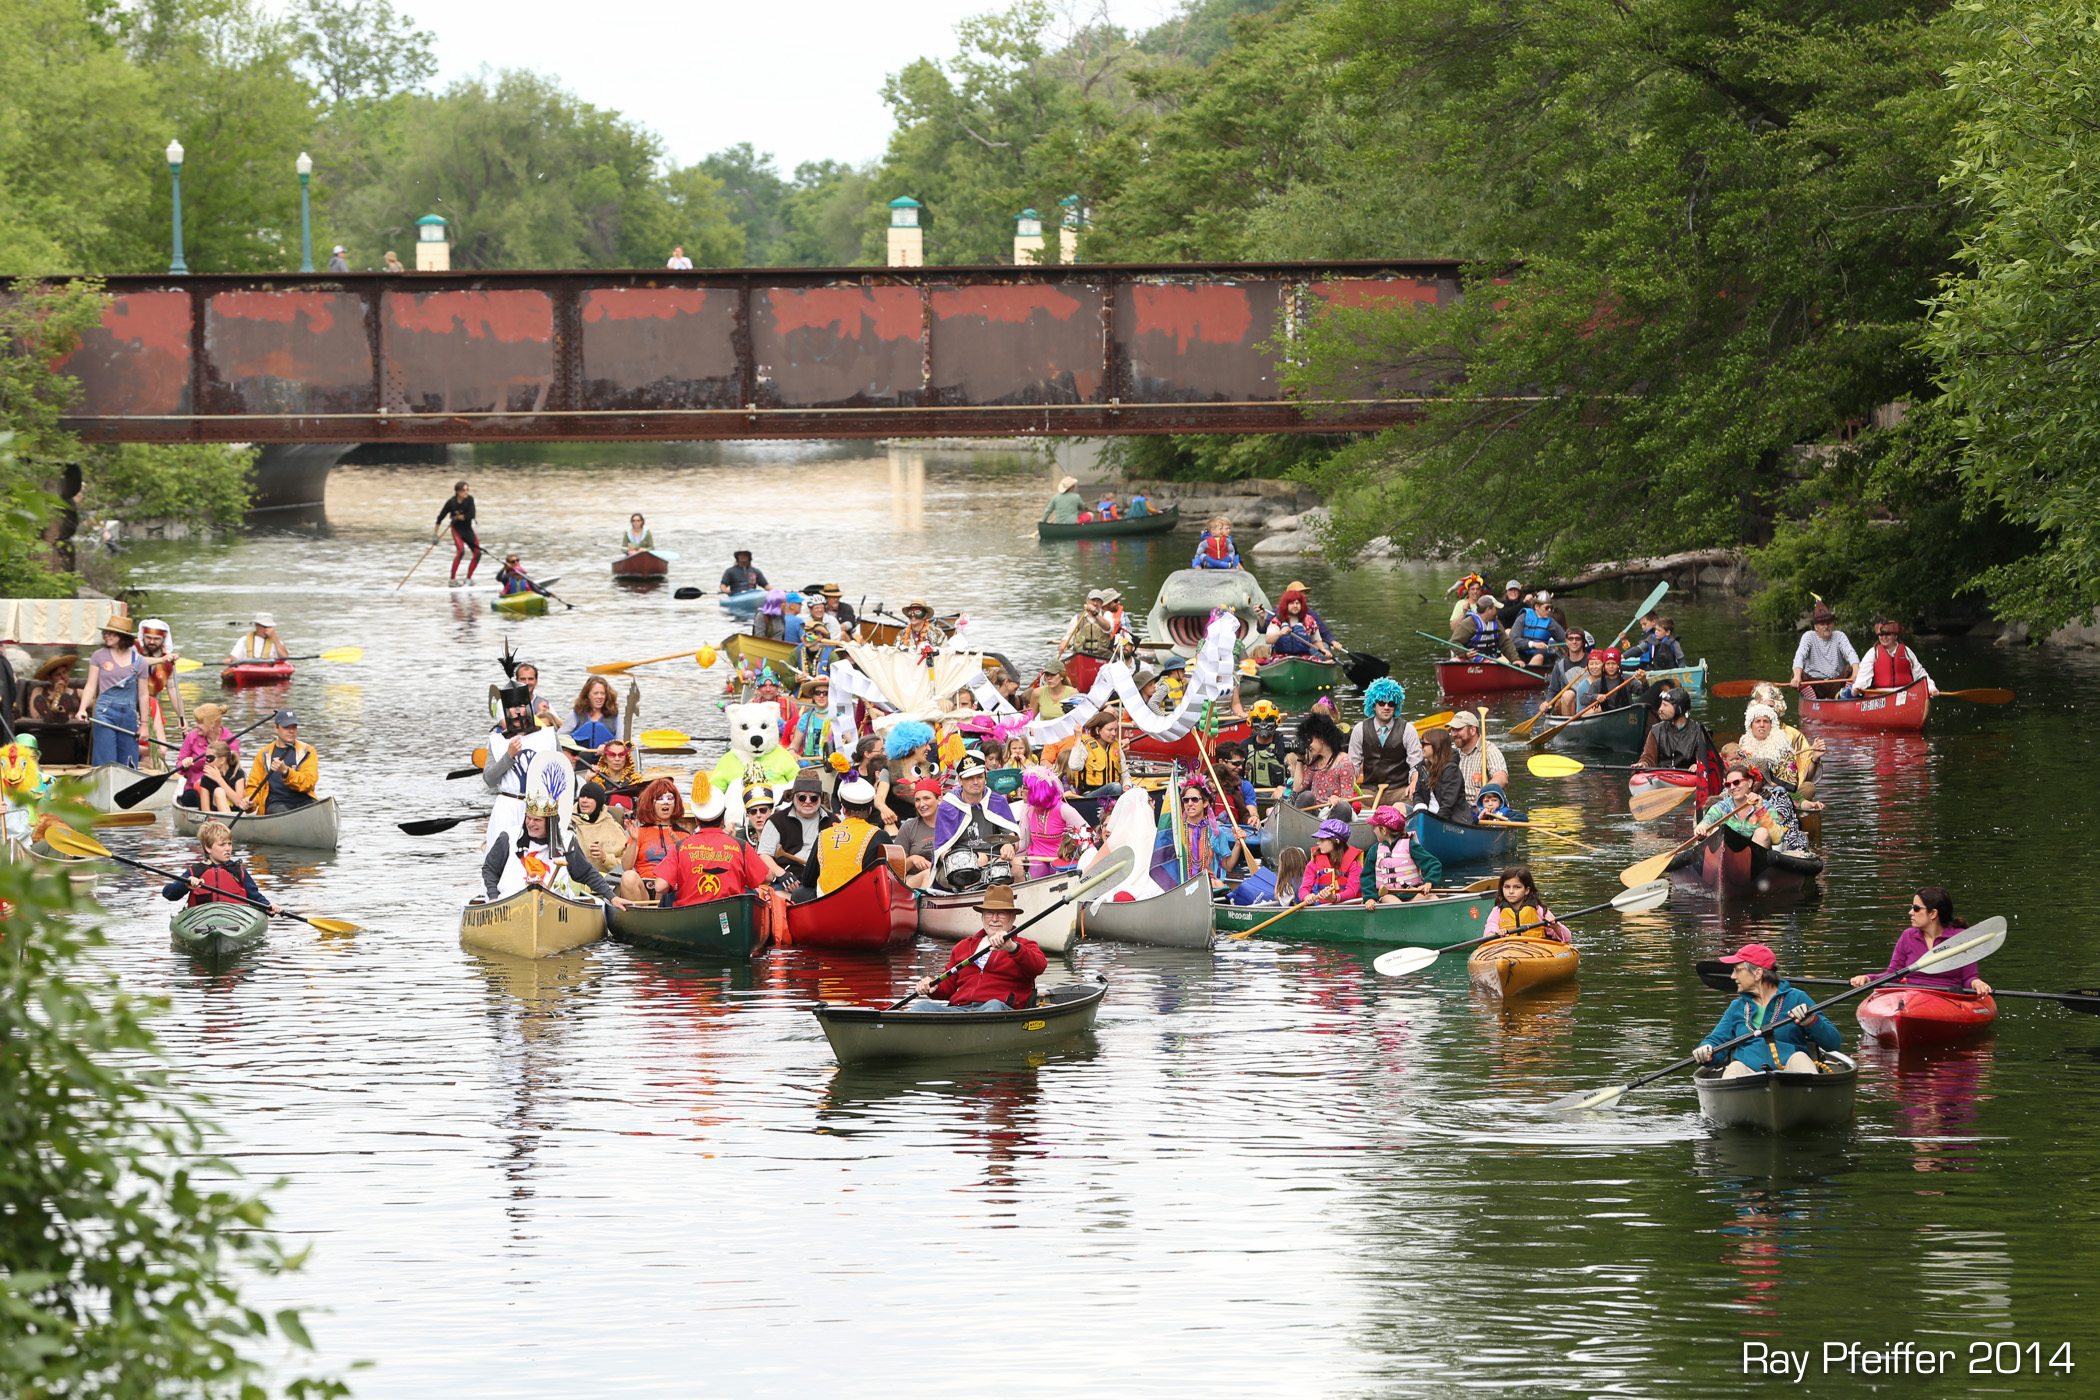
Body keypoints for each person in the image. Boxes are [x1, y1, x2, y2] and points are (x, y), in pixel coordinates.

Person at [1696, 943, 1841, 1077]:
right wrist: (1707, 1049)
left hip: (1792, 1072)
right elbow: (1717, 1040)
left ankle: (1810, 1096)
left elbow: (1833, 1043)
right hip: (1748, 1074)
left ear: (1758, 973)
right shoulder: (1737, 1007)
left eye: (1737, 970)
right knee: (1735, 1067)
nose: (1733, 976)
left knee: (1800, 1058)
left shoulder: (1797, 998)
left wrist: (1812, 1021)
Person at [482, 782, 632, 908]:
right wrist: (493, 897)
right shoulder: (508, 838)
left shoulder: (566, 841)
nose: (531, 824)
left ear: (550, 823)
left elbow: (586, 873)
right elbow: (490, 869)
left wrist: (612, 897)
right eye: (529, 818)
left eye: (537, 820)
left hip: (555, 905)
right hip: (510, 902)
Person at [908, 884, 1046, 1011]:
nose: (994, 919)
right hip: (961, 1009)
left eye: (1001, 914)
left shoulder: (1024, 945)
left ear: (1013, 917)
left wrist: (1012, 947)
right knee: (921, 1007)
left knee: (994, 1005)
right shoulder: (963, 946)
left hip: (1000, 1010)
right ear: (982, 917)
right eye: (989, 913)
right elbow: (947, 988)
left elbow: (1039, 966)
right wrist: (932, 985)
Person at [1849, 887, 1991, 997]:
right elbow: (1893, 975)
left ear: (1933, 913)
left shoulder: (1961, 939)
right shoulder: (1908, 936)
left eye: (1916, 908)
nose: (1910, 912)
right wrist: (1868, 978)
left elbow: (1969, 977)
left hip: (1949, 997)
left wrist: (1976, 983)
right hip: (1913, 997)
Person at [651, 785, 780, 905]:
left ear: (697, 821)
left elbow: (660, 886)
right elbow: (767, 877)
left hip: (689, 919)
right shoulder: (740, 846)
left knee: (667, 897)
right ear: (723, 819)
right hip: (731, 917)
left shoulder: (681, 846)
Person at [483, 682, 561, 845]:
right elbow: (490, 780)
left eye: (520, 706)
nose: (516, 711)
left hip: (541, 810)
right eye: (511, 707)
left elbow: (562, 774)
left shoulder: (548, 736)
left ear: (528, 707)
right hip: (508, 808)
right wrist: (508, 756)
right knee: (503, 859)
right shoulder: (497, 742)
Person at [160, 822, 280, 916]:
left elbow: (255, 897)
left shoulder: (238, 871)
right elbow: (168, 893)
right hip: (203, 919)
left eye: (229, 844)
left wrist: (267, 906)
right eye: (222, 845)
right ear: (208, 848)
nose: (228, 848)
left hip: (236, 917)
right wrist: (186, 884)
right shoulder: (196, 871)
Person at [74, 616, 148, 768]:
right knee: (105, 758)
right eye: (106, 632)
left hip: (129, 715)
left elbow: (143, 694)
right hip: (104, 713)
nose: (107, 635)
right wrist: (82, 709)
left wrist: (144, 724)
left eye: (112, 633)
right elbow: (91, 685)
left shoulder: (140, 661)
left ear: (123, 637)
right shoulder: (99, 656)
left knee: (128, 760)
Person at [804, 778, 891, 897]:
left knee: (801, 893)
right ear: (870, 810)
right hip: (863, 903)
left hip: (826, 902)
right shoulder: (880, 835)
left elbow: (807, 880)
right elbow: (893, 877)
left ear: (844, 810)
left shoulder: (823, 835)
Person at [931, 757, 1021, 866]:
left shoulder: (997, 801)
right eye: (969, 778)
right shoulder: (948, 806)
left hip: (995, 858)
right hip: (960, 863)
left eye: (979, 777)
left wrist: (1009, 845)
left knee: (1017, 866)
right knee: (979, 862)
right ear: (960, 780)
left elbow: (1013, 836)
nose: (975, 782)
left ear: (985, 779)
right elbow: (942, 850)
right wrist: (967, 861)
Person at [1347, 677, 1420, 806]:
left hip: (1399, 790)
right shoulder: (1360, 729)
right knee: (1352, 804)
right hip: (1369, 790)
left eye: (1391, 703)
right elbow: (1353, 765)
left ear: (1396, 706)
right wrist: (1350, 785)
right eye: (1381, 702)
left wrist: (1414, 783)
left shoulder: (1408, 729)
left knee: (1413, 798)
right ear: (1373, 705)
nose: (1386, 707)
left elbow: (1416, 765)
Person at [1157, 777, 1241, 884]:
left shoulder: (1216, 832)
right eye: (1186, 800)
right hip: (1182, 886)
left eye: (1195, 799)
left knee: (1219, 884)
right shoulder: (1176, 833)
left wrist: (1238, 843)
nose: (1190, 803)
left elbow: (1227, 866)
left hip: (1209, 885)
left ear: (1205, 803)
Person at [618, 777, 689, 902]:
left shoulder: (683, 835)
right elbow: (626, 867)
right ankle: (638, 916)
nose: (665, 803)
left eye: (669, 799)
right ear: (651, 803)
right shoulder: (640, 832)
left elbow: (690, 869)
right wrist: (634, 840)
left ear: (675, 803)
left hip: (671, 889)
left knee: (668, 879)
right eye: (660, 799)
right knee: (628, 876)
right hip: (644, 888)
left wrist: (679, 845)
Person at [759, 772, 834, 882]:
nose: (808, 802)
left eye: (813, 798)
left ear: (821, 798)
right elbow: (764, 854)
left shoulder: (833, 822)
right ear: (793, 797)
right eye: (802, 797)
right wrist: (781, 874)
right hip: (788, 883)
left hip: (825, 882)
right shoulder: (776, 821)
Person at [1021, 766, 1094, 880]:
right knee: (1036, 869)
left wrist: (1073, 838)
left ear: (1037, 791)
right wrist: (1008, 848)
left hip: (1061, 860)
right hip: (1036, 859)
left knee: (1057, 873)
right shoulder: (1028, 809)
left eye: (1025, 787)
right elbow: (1023, 842)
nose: (1021, 790)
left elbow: (1089, 836)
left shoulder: (1063, 809)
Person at [1693, 762, 1785, 849]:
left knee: (1762, 832)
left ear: (1749, 782)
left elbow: (1777, 839)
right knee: (1717, 831)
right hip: (1727, 855)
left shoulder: (1766, 806)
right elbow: (1706, 822)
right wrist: (1701, 829)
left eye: (1736, 782)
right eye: (1728, 784)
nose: (1732, 787)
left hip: (1756, 858)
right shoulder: (1721, 806)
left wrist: (1760, 810)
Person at [1842, 618, 1940, 699]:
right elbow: (1863, 676)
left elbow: (1920, 674)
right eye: (1881, 635)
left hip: (1905, 694)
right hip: (1881, 695)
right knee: (1849, 693)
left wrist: (1931, 688)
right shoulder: (1873, 653)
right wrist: (1857, 688)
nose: (1883, 637)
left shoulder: (1906, 652)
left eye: (1887, 634)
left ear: (1895, 636)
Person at [243, 710, 317, 814]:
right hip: (276, 803)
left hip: (304, 800)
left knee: (315, 808)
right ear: (276, 728)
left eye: (294, 727)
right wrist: (251, 801)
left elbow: (308, 783)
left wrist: (286, 772)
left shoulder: (308, 752)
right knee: (282, 811)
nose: (291, 731)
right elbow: (254, 786)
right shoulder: (263, 755)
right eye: (286, 727)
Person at [1285, 709, 1359, 812]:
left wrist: (1337, 799)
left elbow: (1348, 799)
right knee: (1307, 795)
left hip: (1334, 813)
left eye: (1310, 740)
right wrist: (1300, 760)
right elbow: (1297, 788)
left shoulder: (1344, 762)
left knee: (1343, 807)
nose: (1308, 745)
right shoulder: (1315, 762)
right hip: (1316, 813)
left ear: (1322, 738)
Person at [1632, 687, 1711, 775]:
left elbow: (1704, 758)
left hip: (1688, 776)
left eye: (1665, 705)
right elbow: (1648, 756)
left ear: (1679, 708)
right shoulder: (1656, 731)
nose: (1660, 709)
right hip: (1661, 777)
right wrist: (1643, 764)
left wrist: (1698, 765)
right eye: (1661, 705)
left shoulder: (1700, 732)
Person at [174, 702, 238, 810]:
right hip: (195, 788)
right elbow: (178, 767)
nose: (196, 725)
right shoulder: (191, 737)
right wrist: (185, 764)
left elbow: (234, 767)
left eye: (199, 722)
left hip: (223, 787)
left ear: (212, 724)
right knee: (192, 796)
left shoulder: (231, 740)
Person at [134, 618, 182, 761]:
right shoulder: (132, 648)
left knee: (158, 751)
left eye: (157, 639)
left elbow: (173, 691)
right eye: (148, 637)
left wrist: (182, 717)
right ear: (143, 636)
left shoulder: (167, 661)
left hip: (151, 706)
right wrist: (162, 660)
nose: (152, 642)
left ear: (163, 639)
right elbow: (138, 662)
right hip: (130, 703)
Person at [1480, 866, 1568, 941]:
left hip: (1537, 951)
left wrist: (1555, 926)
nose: (1511, 891)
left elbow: (1567, 938)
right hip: (1507, 950)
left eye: (1517, 887)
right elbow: (1490, 929)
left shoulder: (1540, 910)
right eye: (1507, 887)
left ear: (1527, 890)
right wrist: (1495, 933)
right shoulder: (1497, 911)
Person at [1789, 603, 1859, 697]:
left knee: (1853, 668)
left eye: (1829, 623)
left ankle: (1844, 696)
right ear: (1816, 627)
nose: (1826, 626)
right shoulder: (1808, 636)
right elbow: (1800, 656)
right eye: (1822, 624)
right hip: (1815, 684)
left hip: (1836, 682)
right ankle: (1813, 700)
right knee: (1796, 674)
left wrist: (1855, 674)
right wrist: (1797, 677)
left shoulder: (1840, 636)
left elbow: (1851, 653)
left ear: (1833, 624)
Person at [1368, 805, 1431, 902]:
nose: (1373, 830)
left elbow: (1433, 865)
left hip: (1412, 893)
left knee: (1432, 897)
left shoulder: (1411, 846)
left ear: (1383, 830)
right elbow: (1367, 876)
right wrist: (1370, 898)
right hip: (1387, 894)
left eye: (1375, 827)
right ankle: (1404, 914)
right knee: (1393, 901)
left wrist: (1428, 883)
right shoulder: (1374, 850)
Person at [1446, 711, 1508, 803]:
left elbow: (1502, 779)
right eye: (1452, 729)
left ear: (1473, 730)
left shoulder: (1489, 751)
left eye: (1458, 729)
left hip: (1481, 807)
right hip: (1457, 808)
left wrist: (1484, 791)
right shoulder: (1451, 753)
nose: (1454, 734)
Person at [1298, 819, 1364, 904]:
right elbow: (1304, 889)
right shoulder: (1313, 863)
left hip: (1346, 911)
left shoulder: (1354, 865)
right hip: (1320, 910)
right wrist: (1306, 896)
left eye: (1322, 839)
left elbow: (1352, 891)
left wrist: (1334, 898)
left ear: (1336, 841)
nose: (1318, 843)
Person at [572, 781, 629, 874]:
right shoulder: (568, 823)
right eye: (582, 796)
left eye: (590, 797)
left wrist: (605, 858)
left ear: (598, 802)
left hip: (608, 879)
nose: (584, 800)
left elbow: (626, 865)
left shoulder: (612, 825)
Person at [1414, 727, 1469, 820]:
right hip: (1428, 815)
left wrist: (1433, 823)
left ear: (1437, 746)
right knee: (1399, 806)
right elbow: (1418, 794)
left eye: (1424, 744)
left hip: (1450, 820)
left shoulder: (1451, 770)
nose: (1420, 746)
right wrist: (1419, 806)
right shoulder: (1424, 767)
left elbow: (1447, 805)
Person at [434, 480, 483, 585]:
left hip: (468, 530)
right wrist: (435, 535)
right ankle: (452, 580)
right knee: (461, 551)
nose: (466, 492)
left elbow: (472, 515)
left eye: (467, 490)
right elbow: (439, 519)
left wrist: (458, 516)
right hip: (457, 530)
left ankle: (468, 579)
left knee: (478, 553)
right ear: (457, 492)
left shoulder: (470, 500)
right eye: (463, 490)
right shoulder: (451, 503)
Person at [1267, 587, 1335, 658]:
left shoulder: (1309, 620)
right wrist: (1279, 633)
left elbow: (1316, 641)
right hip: (1280, 657)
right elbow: (1268, 640)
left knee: (1326, 658)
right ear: (1286, 605)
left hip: (1304, 657)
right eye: (1292, 603)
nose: (1295, 606)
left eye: (1297, 603)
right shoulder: (1277, 620)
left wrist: (1323, 649)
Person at [1538, 630, 1592, 717]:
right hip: (1568, 704)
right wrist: (1547, 702)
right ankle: (1569, 725)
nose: (1574, 642)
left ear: (1583, 642)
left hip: (1589, 703)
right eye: (1571, 638)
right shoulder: (1560, 665)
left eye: (1577, 639)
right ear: (1566, 642)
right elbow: (1553, 690)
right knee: (1568, 694)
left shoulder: (1592, 662)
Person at [1451, 593, 1516, 663]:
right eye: (1496, 609)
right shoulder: (1468, 623)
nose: (1497, 611)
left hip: (1491, 659)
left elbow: (1505, 643)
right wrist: (1465, 653)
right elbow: (1454, 642)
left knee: (1505, 660)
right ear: (1488, 610)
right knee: (1453, 661)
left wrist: (1515, 659)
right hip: (1471, 660)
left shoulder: (1497, 623)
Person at [560, 677, 621, 751]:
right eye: (596, 693)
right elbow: (560, 737)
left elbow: (622, 742)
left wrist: (607, 747)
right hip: (580, 758)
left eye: (603, 693)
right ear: (588, 695)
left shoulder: (615, 717)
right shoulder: (575, 714)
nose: (600, 697)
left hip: (606, 759)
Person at [1244, 701, 1291, 793]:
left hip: (1278, 796)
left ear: (1277, 721)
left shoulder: (1286, 745)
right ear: (1250, 722)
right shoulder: (1244, 746)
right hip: (1251, 795)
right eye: (1257, 721)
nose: (1263, 725)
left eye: (1268, 720)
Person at [1510, 590, 1565, 670]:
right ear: (1537, 606)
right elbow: (1513, 639)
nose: (1549, 610)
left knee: (1540, 653)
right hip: (1521, 652)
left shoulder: (1551, 623)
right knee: (1509, 653)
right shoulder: (1523, 617)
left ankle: (1527, 676)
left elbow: (1564, 639)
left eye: (1550, 607)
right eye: (1546, 608)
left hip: (1540, 655)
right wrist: (1533, 644)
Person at [29, 655, 77, 722]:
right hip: (44, 727)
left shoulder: (79, 692)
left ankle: (63, 715)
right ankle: (50, 715)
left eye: (64, 672)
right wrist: (54, 693)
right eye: (58, 675)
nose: (63, 677)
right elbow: (34, 715)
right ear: (49, 678)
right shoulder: (38, 690)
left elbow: (95, 704)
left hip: (72, 727)